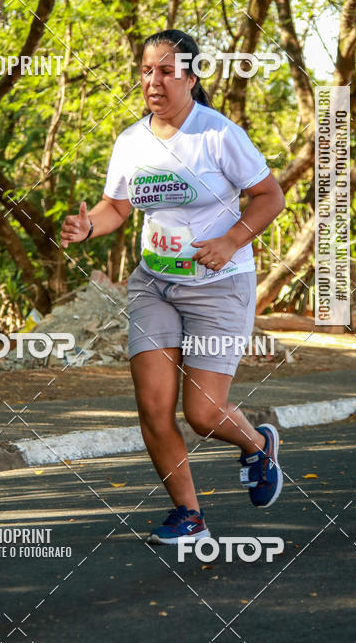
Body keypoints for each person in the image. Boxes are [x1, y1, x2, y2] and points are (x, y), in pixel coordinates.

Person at [60, 30, 286, 545]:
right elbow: (116, 208)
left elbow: (270, 196)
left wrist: (230, 241)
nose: (153, 82)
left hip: (218, 285)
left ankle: (257, 444)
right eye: (146, 71)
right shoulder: (131, 142)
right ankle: (189, 514)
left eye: (166, 71)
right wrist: (87, 227)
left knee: (203, 413)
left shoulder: (218, 134)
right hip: (154, 285)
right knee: (153, 408)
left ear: (190, 76)